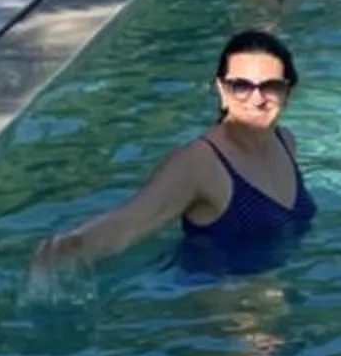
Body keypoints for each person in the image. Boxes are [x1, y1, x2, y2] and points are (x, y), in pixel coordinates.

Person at [32, 30, 315, 275]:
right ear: (222, 90)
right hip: (222, 301)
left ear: (288, 92)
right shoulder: (199, 164)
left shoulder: (285, 141)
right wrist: (73, 246)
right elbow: (131, 220)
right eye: (241, 86)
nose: (257, 98)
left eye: (271, 86)